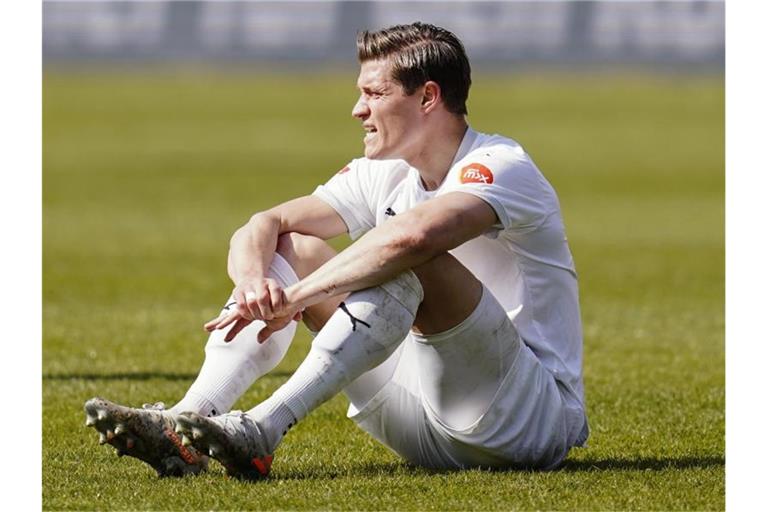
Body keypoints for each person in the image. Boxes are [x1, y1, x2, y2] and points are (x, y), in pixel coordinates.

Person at [84, 22, 589, 479]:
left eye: (374, 92)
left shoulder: (500, 163)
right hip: (418, 415)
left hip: (523, 420)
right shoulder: (385, 170)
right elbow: (264, 224)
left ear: (428, 97)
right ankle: (185, 425)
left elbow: (413, 240)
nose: (358, 109)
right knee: (295, 246)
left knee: (407, 255)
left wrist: (297, 296)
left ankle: (263, 428)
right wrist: (255, 284)